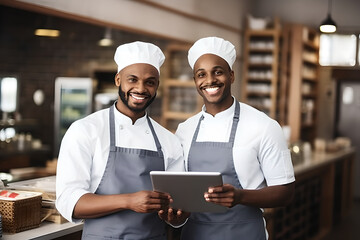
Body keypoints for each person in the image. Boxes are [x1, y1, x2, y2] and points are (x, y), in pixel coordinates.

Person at [56, 41, 185, 240]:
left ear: (157, 86)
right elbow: (69, 202)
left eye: (150, 82)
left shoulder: (169, 141)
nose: (141, 88)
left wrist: (176, 218)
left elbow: (175, 206)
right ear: (118, 80)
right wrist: (128, 201)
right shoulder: (85, 130)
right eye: (132, 79)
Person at [175, 36, 295, 240]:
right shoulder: (185, 130)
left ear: (231, 76)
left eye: (218, 72)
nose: (210, 80)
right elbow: (180, 193)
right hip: (195, 234)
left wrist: (241, 196)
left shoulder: (264, 126)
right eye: (201, 74)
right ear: (195, 81)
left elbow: (286, 192)